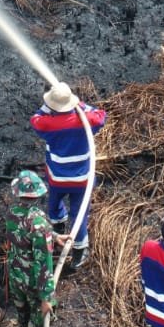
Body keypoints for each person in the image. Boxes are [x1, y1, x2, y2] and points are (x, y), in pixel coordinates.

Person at [30, 83, 105, 274]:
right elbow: (100, 115)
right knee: (79, 215)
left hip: (57, 178)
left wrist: (49, 107)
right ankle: (79, 253)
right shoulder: (87, 121)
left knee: (54, 205)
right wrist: (78, 104)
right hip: (83, 181)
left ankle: (58, 230)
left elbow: (36, 118)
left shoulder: (47, 125)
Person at [3, 171, 59, 327]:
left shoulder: (12, 212)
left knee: (22, 313)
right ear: (38, 194)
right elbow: (44, 264)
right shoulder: (38, 222)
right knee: (39, 319)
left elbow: (24, 235)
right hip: (33, 282)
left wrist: (56, 237)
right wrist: (47, 298)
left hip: (15, 275)